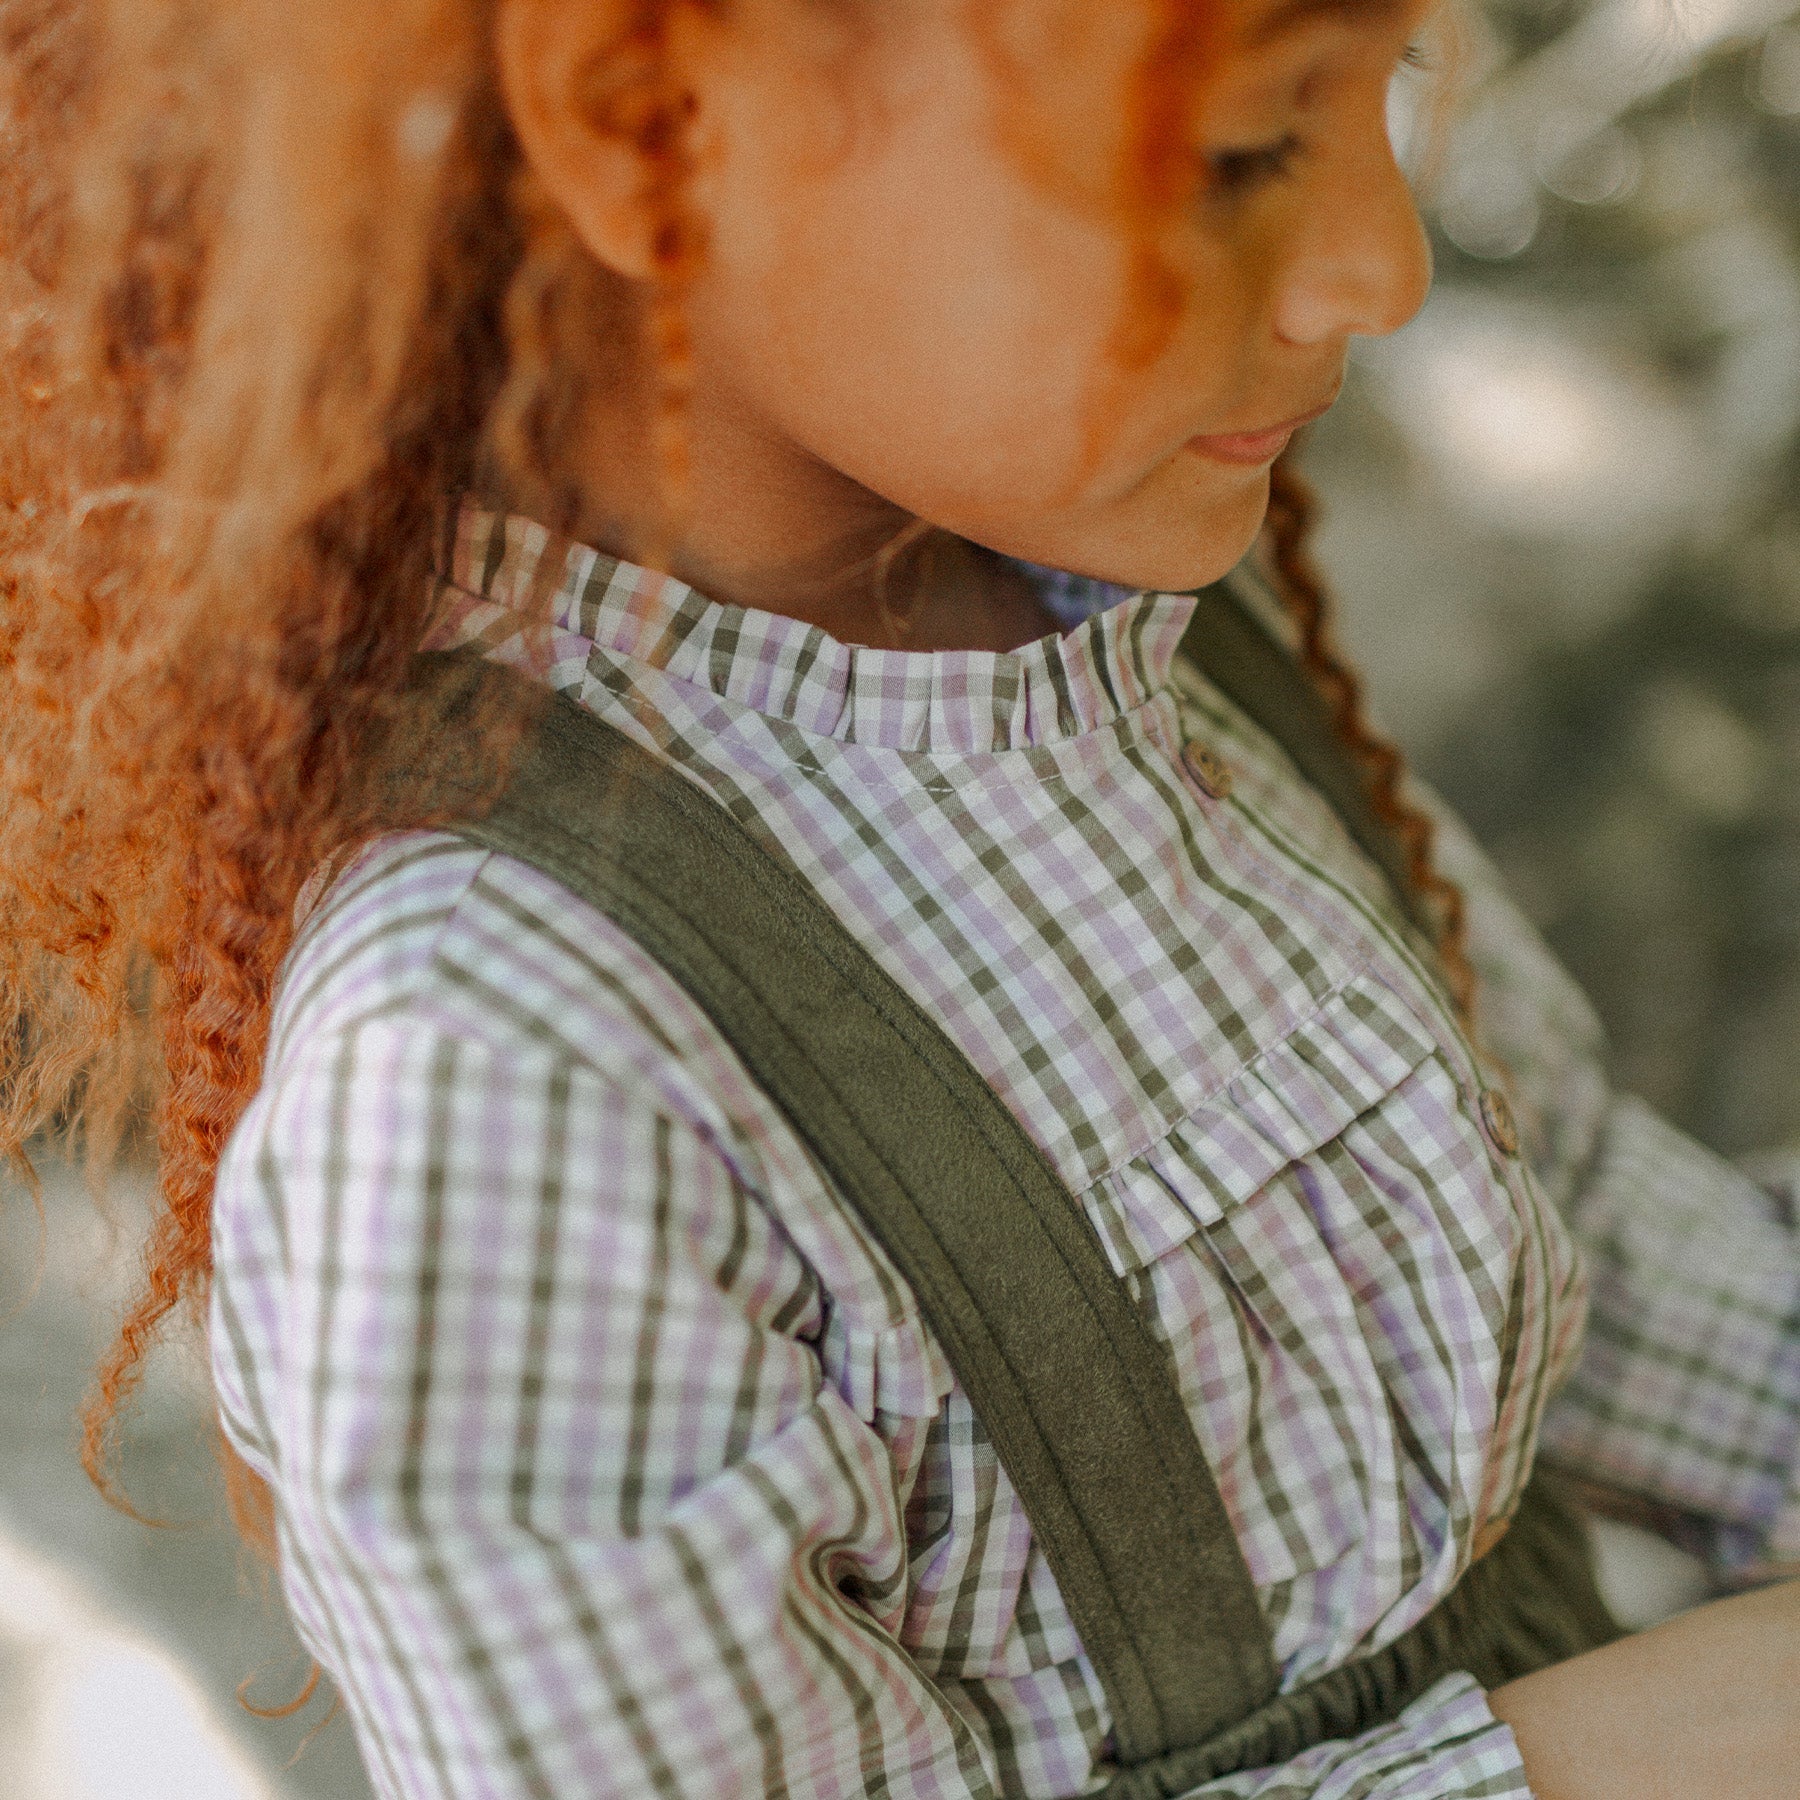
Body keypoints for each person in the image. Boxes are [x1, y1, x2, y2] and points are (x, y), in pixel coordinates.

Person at [1, 0, 1797, 1795]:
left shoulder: (1132, 603)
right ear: (641, 126)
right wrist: (1631, 1750)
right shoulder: (493, 1082)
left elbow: (1564, 1226)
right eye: (1237, 150)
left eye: (1382, 84)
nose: (1376, 270)